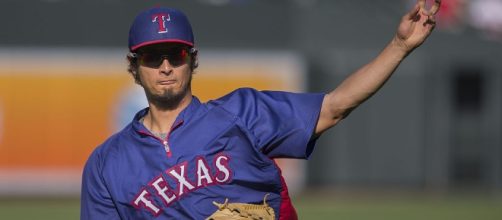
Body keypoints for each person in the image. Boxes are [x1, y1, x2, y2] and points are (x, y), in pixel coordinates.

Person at [81, 3, 437, 220]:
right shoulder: (106, 163)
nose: (165, 67)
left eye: (176, 54)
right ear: (134, 67)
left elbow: (335, 106)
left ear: (192, 60)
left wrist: (400, 46)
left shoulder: (241, 114)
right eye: (151, 57)